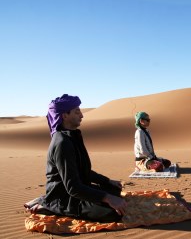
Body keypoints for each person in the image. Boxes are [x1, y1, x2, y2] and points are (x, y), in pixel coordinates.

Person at [27, 94, 127, 223]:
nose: (82, 115)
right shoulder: (62, 143)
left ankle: (46, 200)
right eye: (77, 112)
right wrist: (107, 198)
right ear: (65, 115)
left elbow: (82, 170)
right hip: (66, 197)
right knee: (113, 213)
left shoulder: (72, 136)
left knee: (114, 190)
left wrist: (107, 181)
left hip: (78, 189)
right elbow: (73, 187)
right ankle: (50, 205)